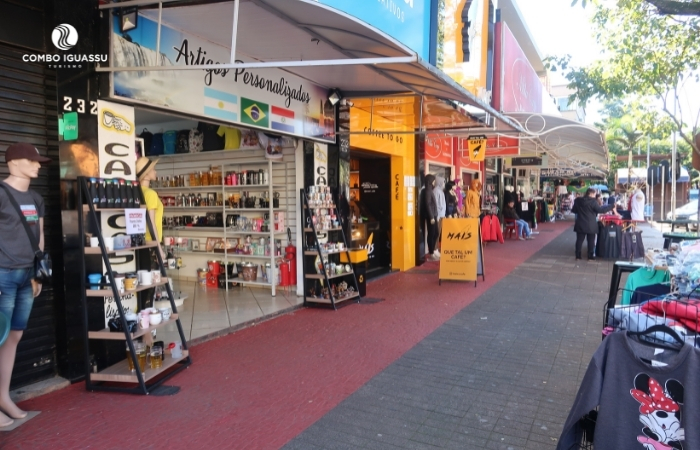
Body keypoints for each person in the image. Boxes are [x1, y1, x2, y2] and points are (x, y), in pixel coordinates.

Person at [0, 142, 51, 427]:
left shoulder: (36, 197)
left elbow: (39, 237)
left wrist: (36, 272)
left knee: (14, 336)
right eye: (31, 161)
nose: (37, 165)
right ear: (14, 163)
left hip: (26, 276)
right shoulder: (1, 194)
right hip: (2, 275)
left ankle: (3, 396)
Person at [572, 188, 616, 260]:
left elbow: (574, 210)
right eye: (595, 194)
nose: (595, 196)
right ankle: (590, 256)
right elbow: (600, 210)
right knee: (591, 241)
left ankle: (578, 256)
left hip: (580, 223)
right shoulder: (593, 201)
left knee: (579, 240)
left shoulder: (577, 200)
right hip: (591, 224)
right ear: (591, 194)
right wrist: (611, 206)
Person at [135, 157, 165, 260]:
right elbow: (151, 222)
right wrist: (159, 248)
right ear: (146, 174)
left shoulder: (136, 192)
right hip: (151, 243)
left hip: (140, 241)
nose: (155, 172)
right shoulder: (150, 194)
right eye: (153, 169)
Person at [420, 174, 439, 261]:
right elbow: (428, 204)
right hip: (431, 216)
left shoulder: (430, 190)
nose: (435, 182)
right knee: (432, 234)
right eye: (433, 180)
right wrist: (431, 217)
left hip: (434, 215)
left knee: (436, 233)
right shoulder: (427, 191)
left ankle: (433, 250)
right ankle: (431, 253)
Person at [433, 175, 446, 250]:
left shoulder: (440, 191)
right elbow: (436, 204)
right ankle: (434, 249)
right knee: (436, 233)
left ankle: (437, 247)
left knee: (439, 232)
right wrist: (437, 216)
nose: (444, 184)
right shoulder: (436, 191)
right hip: (438, 215)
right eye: (443, 182)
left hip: (441, 215)